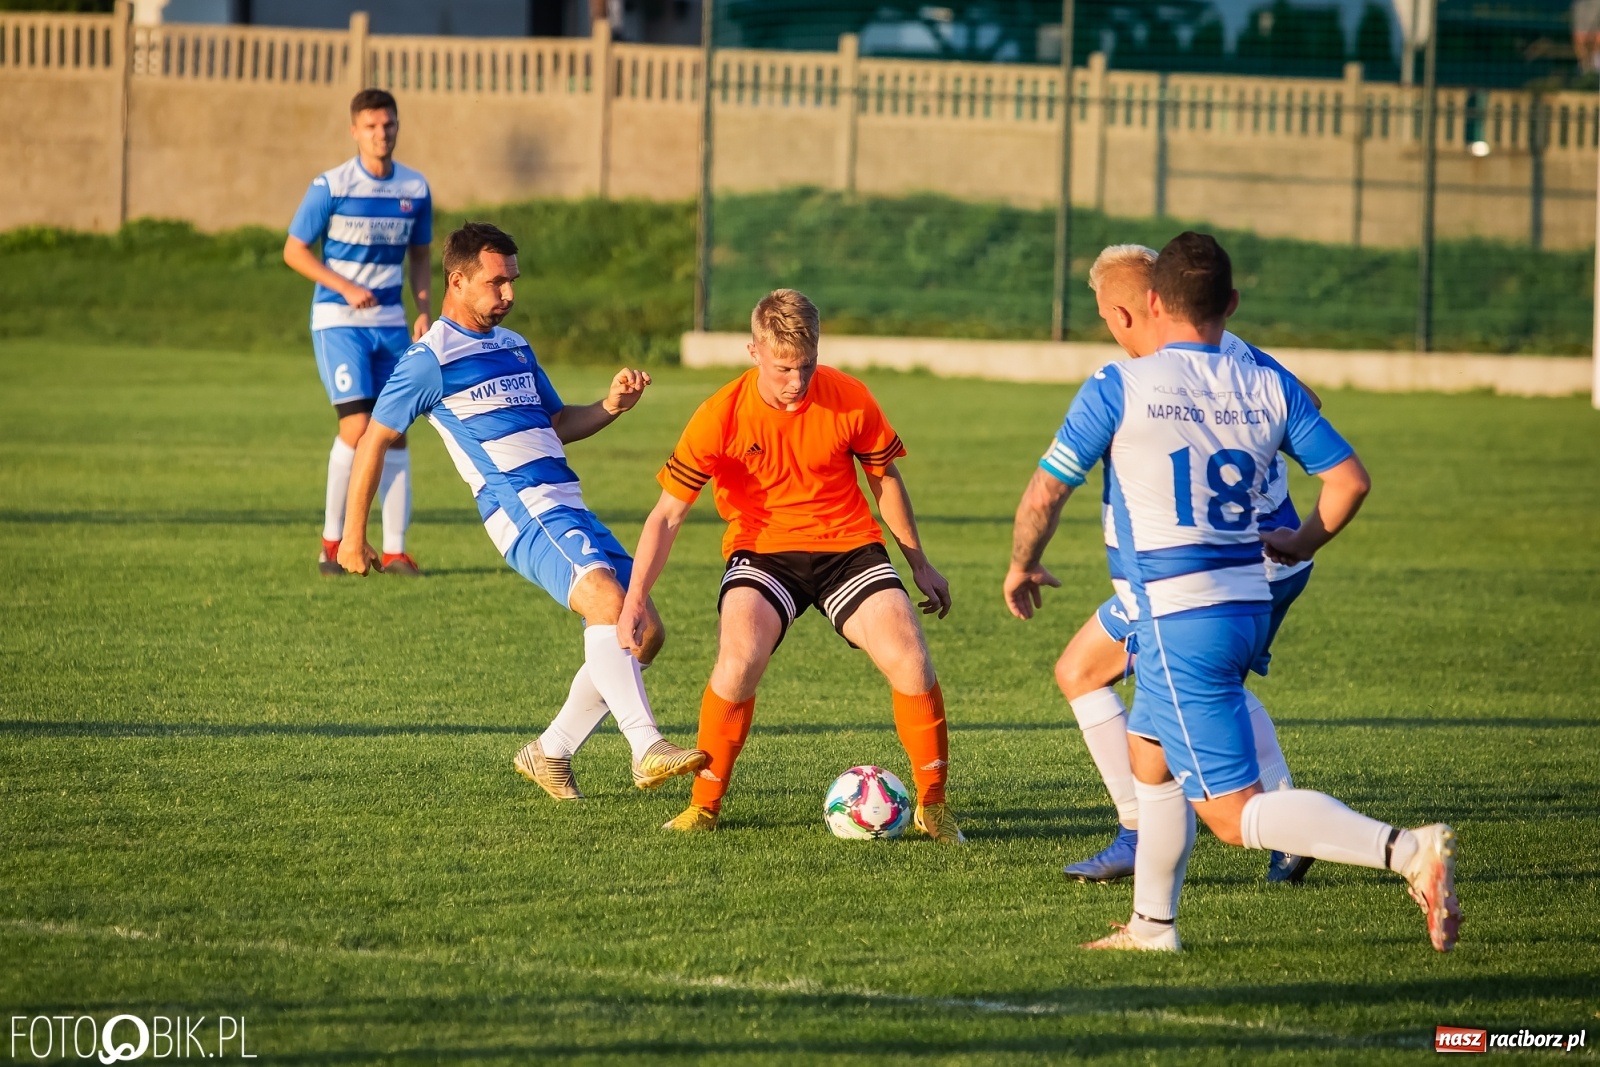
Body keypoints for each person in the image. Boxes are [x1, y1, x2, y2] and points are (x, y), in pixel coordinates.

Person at [1005, 232, 1460, 952]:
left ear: (1152, 302)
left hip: (1180, 613)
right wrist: (1303, 540)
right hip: (1247, 596)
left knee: (1230, 814)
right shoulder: (1264, 381)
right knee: (1149, 758)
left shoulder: (1120, 385)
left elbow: (1044, 491)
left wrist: (1023, 563)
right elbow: (1349, 480)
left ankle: (1408, 849)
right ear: (1232, 304)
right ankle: (1152, 925)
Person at [338, 222, 708, 798]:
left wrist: (611, 406)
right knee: (611, 607)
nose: (509, 293)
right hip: (522, 511)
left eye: (513, 280)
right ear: (457, 282)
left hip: (569, 504)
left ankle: (550, 751)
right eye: (496, 282)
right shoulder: (428, 359)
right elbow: (373, 440)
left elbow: (558, 425)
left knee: (646, 632)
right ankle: (646, 749)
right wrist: (353, 536)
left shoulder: (514, 347)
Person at [617, 289, 963, 842]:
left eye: (806, 365)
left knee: (910, 657)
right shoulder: (719, 415)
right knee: (738, 658)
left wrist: (919, 563)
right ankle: (704, 805)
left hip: (848, 548)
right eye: (783, 368)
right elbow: (666, 517)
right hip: (762, 552)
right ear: (754, 350)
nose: (796, 381)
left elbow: (884, 479)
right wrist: (634, 599)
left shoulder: (850, 397)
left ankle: (934, 805)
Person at [1056, 244, 1321, 886]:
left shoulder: (1152, 376)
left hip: (1210, 567)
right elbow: (1304, 401)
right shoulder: (1233, 353)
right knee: (1165, 680)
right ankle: (1278, 827)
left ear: (1132, 310)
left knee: (1083, 671)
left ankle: (1143, 832)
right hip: (1264, 558)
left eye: (1105, 316)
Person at [285, 88, 432, 578]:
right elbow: (295, 250)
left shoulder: (414, 188)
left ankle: (393, 551)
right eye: (370, 126)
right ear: (354, 131)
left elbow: (421, 256)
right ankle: (333, 542)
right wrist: (344, 287)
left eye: (388, 125)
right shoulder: (330, 185)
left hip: (390, 323)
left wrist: (425, 311)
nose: (381, 133)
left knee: (395, 435)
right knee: (356, 428)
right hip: (338, 321)